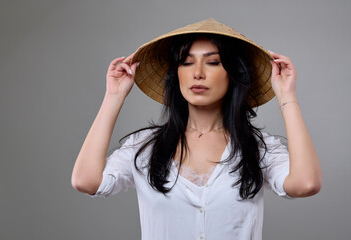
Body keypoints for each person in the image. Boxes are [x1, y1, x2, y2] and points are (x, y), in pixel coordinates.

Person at [71, 19, 322, 240]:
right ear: (176, 74)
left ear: (232, 74)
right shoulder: (145, 147)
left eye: (213, 62)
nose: (198, 74)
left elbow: (306, 183)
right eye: (186, 63)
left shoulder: (257, 148)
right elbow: (86, 181)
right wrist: (113, 97)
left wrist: (286, 95)